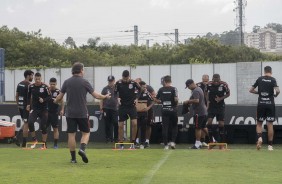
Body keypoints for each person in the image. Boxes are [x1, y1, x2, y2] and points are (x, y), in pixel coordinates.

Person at [54, 62, 110, 163]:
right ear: (81, 70)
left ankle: (73, 159)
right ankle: (82, 149)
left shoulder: (67, 82)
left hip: (70, 113)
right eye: (83, 69)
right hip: (82, 113)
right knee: (86, 133)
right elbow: (96, 96)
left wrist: (55, 100)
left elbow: (59, 97)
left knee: (71, 135)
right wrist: (105, 96)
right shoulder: (84, 82)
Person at [249, 66, 280, 151]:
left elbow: (251, 90)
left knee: (259, 123)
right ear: (271, 71)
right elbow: (278, 91)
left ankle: (259, 138)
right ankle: (270, 146)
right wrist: (275, 95)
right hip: (270, 104)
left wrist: (259, 93)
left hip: (261, 104)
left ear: (264, 71)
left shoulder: (259, 79)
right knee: (270, 124)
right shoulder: (273, 79)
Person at [115, 70, 141, 149]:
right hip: (122, 106)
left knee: (134, 123)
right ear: (122, 77)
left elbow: (140, 90)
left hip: (131, 106)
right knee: (120, 125)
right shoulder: (118, 83)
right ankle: (121, 143)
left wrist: (136, 98)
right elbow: (115, 92)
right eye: (124, 78)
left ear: (129, 77)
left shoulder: (133, 83)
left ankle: (133, 142)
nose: (125, 80)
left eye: (126, 78)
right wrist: (118, 98)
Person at [26, 72, 51, 148]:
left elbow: (50, 96)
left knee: (43, 126)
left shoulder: (45, 86)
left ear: (41, 79)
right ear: (34, 78)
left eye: (39, 79)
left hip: (44, 109)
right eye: (36, 79)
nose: (37, 80)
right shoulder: (31, 86)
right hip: (35, 109)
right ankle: (34, 140)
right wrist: (28, 104)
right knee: (30, 122)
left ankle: (44, 144)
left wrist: (43, 99)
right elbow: (28, 96)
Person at [205, 74, 230, 148]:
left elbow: (228, 94)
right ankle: (211, 142)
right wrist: (207, 101)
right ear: (212, 79)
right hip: (211, 107)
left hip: (220, 106)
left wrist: (220, 98)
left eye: (217, 81)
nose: (216, 82)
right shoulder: (208, 84)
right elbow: (205, 92)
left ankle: (221, 144)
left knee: (221, 124)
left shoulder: (224, 84)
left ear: (219, 79)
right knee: (209, 122)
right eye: (214, 80)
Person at [156, 75, 179, 150]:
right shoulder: (174, 89)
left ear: (164, 81)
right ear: (170, 81)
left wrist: (162, 101)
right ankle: (172, 142)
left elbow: (156, 100)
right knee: (174, 126)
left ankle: (165, 145)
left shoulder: (161, 89)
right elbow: (176, 99)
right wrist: (176, 103)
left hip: (164, 109)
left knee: (165, 127)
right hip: (173, 109)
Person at [184, 79, 208, 149]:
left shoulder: (195, 90)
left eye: (188, 86)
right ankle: (212, 139)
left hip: (199, 113)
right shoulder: (199, 88)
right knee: (203, 127)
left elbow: (197, 100)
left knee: (197, 128)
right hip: (203, 112)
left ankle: (197, 144)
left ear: (191, 84)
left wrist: (188, 101)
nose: (188, 88)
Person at [15, 70, 34, 147]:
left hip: (20, 105)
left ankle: (16, 137)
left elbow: (16, 95)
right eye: (32, 76)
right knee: (26, 123)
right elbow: (31, 97)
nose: (32, 77)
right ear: (28, 76)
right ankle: (24, 143)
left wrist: (18, 105)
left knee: (26, 121)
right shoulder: (29, 85)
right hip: (27, 106)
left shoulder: (19, 84)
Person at [135, 78, 156, 148]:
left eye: (145, 87)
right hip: (136, 112)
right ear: (140, 86)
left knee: (144, 127)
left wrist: (148, 107)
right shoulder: (136, 92)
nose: (145, 88)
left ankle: (143, 143)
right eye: (143, 87)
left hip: (144, 113)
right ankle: (135, 141)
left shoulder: (147, 93)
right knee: (136, 127)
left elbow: (153, 100)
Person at [99, 75, 118, 143]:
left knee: (115, 123)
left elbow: (120, 97)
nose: (110, 82)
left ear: (114, 81)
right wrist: (101, 108)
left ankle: (116, 138)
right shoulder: (105, 89)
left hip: (115, 108)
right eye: (109, 81)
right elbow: (101, 98)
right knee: (107, 124)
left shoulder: (117, 88)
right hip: (106, 108)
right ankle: (108, 138)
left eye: (111, 81)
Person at [47, 77, 64, 149]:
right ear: (49, 83)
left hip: (55, 112)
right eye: (51, 84)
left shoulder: (58, 91)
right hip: (46, 112)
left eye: (54, 84)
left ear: (56, 84)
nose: (52, 85)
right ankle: (44, 144)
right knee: (44, 128)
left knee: (55, 129)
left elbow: (62, 101)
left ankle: (55, 144)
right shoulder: (46, 90)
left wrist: (62, 110)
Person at [196, 74, 209, 147]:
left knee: (204, 124)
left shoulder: (210, 85)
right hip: (200, 107)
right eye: (204, 80)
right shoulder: (198, 85)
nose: (205, 82)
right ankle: (199, 141)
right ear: (202, 79)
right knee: (200, 125)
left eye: (206, 80)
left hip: (207, 106)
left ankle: (203, 140)